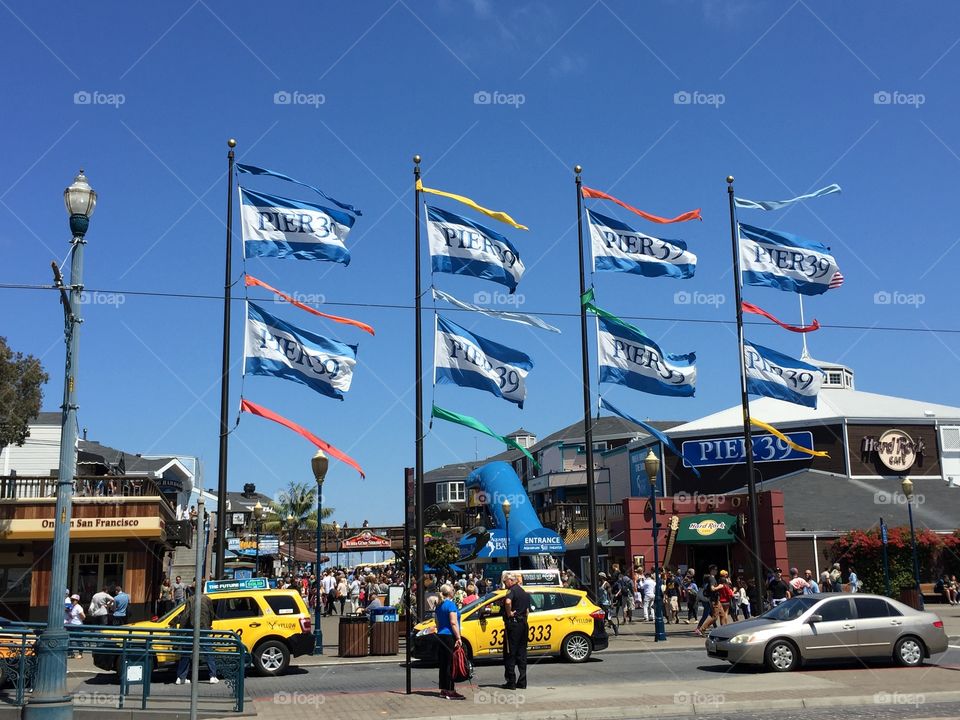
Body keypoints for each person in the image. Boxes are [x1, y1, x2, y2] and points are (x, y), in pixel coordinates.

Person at [176, 591, 219, 684]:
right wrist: (209, 624)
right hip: (204, 627)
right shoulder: (207, 599)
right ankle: (212, 676)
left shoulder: (190, 599)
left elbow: (185, 616)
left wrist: (181, 629)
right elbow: (211, 614)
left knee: (186, 652)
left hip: (191, 628)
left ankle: (181, 677)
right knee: (208, 651)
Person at [434, 584, 465, 700]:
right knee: (451, 664)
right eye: (453, 589)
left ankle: (443, 689)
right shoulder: (451, 605)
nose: (454, 591)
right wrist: (458, 637)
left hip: (441, 635)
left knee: (443, 664)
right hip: (449, 636)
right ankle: (450, 690)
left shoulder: (439, 605)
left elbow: (437, 622)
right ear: (450, 592)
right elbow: (453, 622)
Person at [500, 572, 530, 690]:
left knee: (510, 653)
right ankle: (522, 682)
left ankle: (511, 682)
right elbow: (527, 611)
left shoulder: (511, 591)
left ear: (511, 581)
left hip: (513, 625)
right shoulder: (523, 592)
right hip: (523, 624)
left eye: (505, 581)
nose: (504, 583)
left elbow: (508, 602)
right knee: (522, 653)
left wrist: (509, 614)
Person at [66, 594, 85, 658]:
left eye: (73, 600)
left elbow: (83, 616)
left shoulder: (78, 607)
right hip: (70, 625)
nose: (72, 601)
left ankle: (80, 654)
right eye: (71, 600)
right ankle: (71, 653)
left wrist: (78, 619)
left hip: (77, 626)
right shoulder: (71, 606)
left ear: (77, 601)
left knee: (78, 640)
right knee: (69, 639)